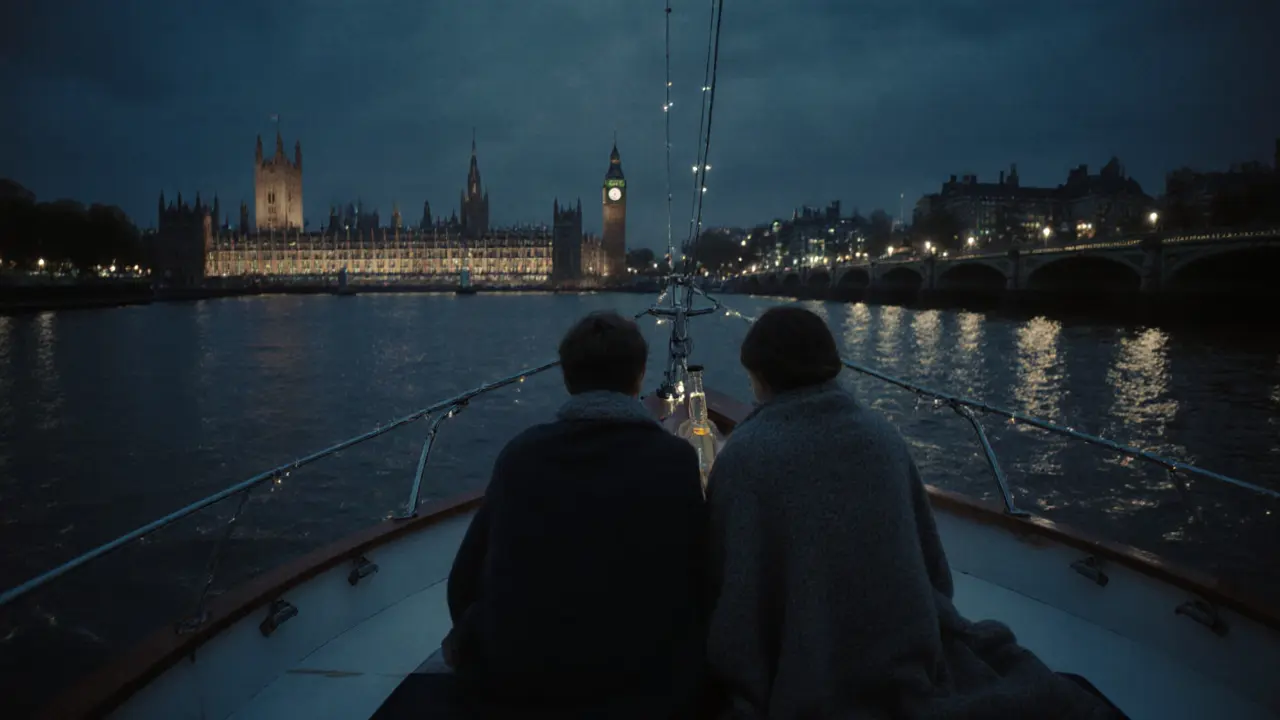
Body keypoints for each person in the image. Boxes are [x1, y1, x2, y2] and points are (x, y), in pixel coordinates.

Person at [704, 305, 1125, 719]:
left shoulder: (744, 455)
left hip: (807, 674)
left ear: (759, 376)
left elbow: (734, 596)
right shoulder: (882, 437)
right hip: (903, 653)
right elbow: (934, 574)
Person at [444, 310, 709, 717]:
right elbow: (700, 578)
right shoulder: (673, 461)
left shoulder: (521, 456)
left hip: (523, 686)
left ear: (568, 379)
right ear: (639, 376)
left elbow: (464, 582)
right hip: (643, 689)